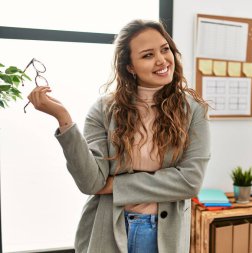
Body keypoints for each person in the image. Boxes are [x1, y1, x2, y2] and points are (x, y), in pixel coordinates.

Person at [27, 19, 211, 253]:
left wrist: (117, 185)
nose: (162, 60)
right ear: (129, 67)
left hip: (163, 235)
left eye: (165, 49)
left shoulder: (193, 110)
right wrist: (63, 119)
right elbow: (91, 182)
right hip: (108, 231)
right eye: (147, 55)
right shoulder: (103, 110)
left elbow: (190, 182)